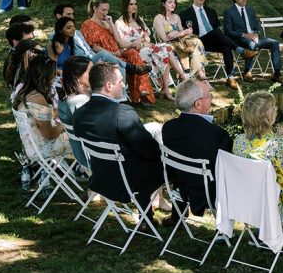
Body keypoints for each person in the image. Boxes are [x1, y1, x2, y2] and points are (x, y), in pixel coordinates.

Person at [71, 62, 165, 213]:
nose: (123, 85)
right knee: (170, 165)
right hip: (126, 182)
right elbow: (150, 149)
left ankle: (147, 217)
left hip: (100, 178)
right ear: (108, 86)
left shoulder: (79, 114)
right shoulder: (122, 113)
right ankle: (163, 215)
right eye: (120, 81)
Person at [233, 91, 283, 249]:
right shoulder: (276, 145)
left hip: (248, 202)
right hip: (275, 205)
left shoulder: (238, 141)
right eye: (273, 107)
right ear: (266, 115)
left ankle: (262, 232)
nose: (276, 110)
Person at [161, 79, 233, 216]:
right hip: (209, 194)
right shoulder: (217, 135)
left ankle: (177, 216)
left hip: (181, 187)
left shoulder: (169, 128)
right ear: (198, 104)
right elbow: (226, 172)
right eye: (209, 95)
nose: (211, 98)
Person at [80, 0, 154, 104]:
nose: (106, 13)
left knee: (133, 54)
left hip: (118, 52)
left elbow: (118, 41)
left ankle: (142, 93)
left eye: (107, 10)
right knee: (129, 64)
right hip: (106, 57)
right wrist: (113, 54)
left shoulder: (106, 23)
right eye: (103, 10)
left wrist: (111, 23)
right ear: (95, 8)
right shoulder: (88, 24)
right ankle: (136, 94)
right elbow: (95, 47)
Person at [116, 0, 188, 101]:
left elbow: (147, 37)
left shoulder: (139, 20)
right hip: (133, 52)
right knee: (163, 54)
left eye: (135, 4)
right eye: (131, 4)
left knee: (166, 49)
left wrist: (143, 41)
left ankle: (166, 88)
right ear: (125, 6)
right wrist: (137, 43)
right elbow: (121, 43)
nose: (134, 6)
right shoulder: (120, 23)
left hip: (146, 47)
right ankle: (178, 79)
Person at [13, 55, 74, 163]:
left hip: (32, 146)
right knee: (83, 138)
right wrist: (64, 125)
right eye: (53, 74)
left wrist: (66, 109)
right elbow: (49, 134)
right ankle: (86, 168)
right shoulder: (37, 99)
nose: (54, 77)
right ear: (46, 77)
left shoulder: (24, 93)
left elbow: (46, 116)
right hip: (43, 148)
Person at [223, 0, 283, 85]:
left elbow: (257, 27)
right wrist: (244, 35)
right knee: (251, 44)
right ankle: (247, 72)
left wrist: (257, 34)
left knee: (275, 43)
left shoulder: (251, 10)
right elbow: (228, 31)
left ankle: (277, 74)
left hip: (254, 38)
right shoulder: (229, 12)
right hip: (240, 39)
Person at [179, 0, 240, 90]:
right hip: (199, 41)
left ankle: (230, 77)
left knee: (226, 46)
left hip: (213, 40)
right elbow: (184, 32)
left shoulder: (211, 11)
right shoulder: (185, 14)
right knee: (216, 32)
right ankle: (240, 49)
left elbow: (218, 26)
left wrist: (219, 31)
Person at [153, 0, 208, 81]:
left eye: (174, 2)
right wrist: (179, 33)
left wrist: (182, 32)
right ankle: (192, 73)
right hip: (167, 46)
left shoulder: (176, 17)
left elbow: (183, 34)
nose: (173, 4)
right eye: (170, 2)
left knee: (197, 41)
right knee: (185, 47)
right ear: (163, 4)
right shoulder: (158, 18)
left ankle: (199, 71)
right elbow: (164, 39)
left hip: (181, 42)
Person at [57, 56, 93, 170]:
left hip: (80, 154)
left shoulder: (64, 97)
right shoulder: (80, 101)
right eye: (91, 71)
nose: (95, 74)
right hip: (94, 156)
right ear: (78, 78)